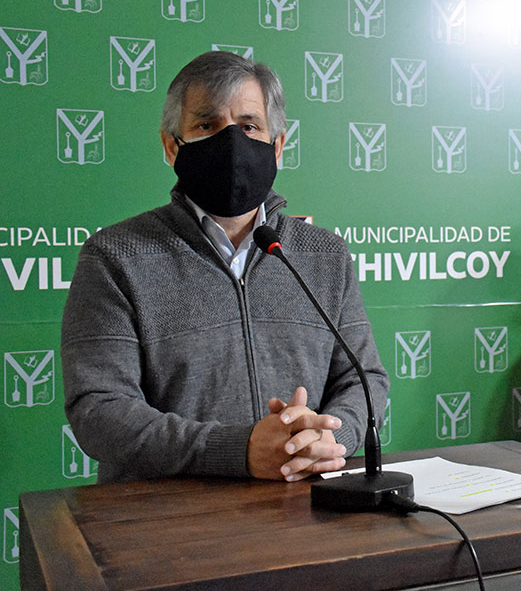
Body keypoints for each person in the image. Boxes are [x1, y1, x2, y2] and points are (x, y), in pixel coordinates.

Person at [61, 51, 388, 483]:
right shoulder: (114, 256)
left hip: (303, 507)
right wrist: (238, 450)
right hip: (167, 516)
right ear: (171, 146)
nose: (232, 142)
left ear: (277, 145)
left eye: (249, 126)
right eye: (207, 125)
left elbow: (364, 379)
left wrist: (329, 438)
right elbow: (99, 409)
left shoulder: (324, 254)